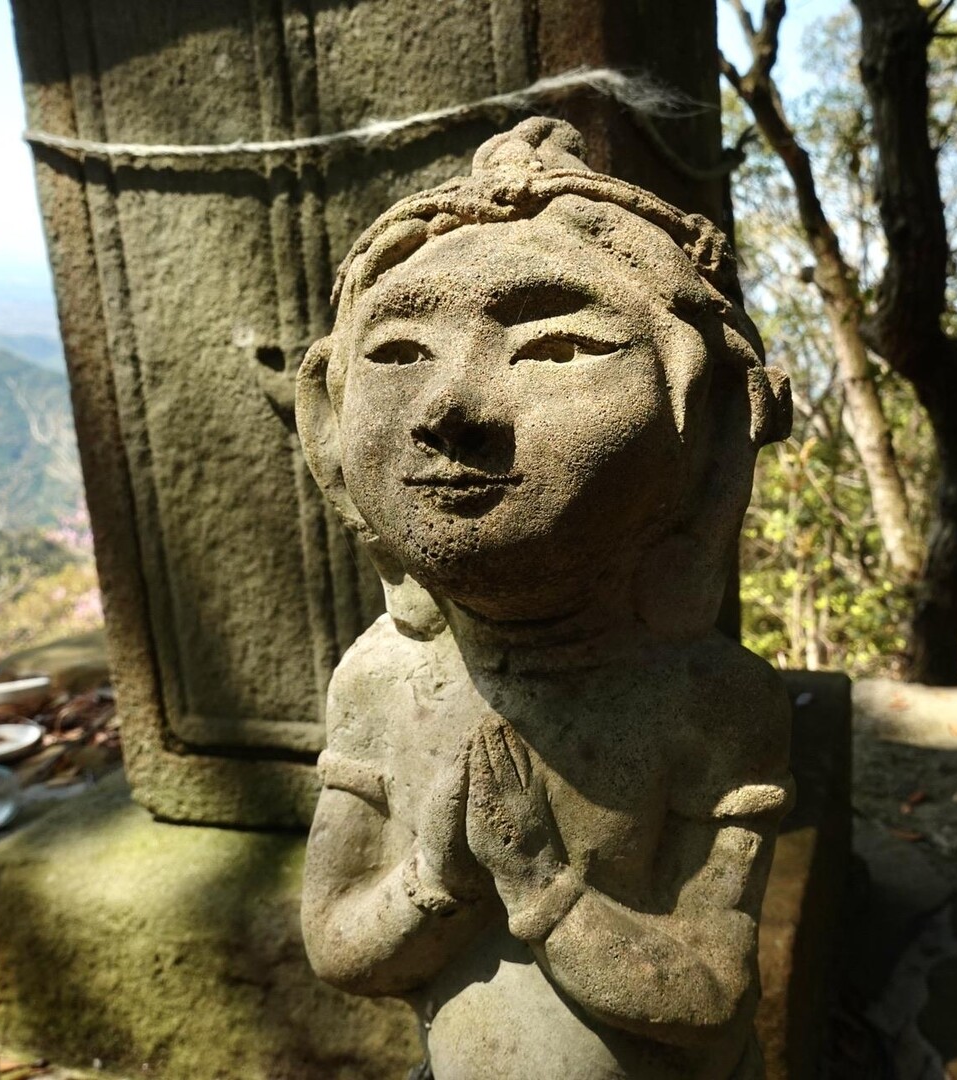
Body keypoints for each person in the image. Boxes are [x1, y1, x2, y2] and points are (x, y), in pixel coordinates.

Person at [298, 117, 792, 1080]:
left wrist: (544, 889)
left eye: (558, 348)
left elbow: (715, 991)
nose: (452, 409)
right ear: (327, 427)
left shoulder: (713, 704)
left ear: (711, 431)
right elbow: (337, 941)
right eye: (399, 352)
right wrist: (431, 882)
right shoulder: (379, 682)